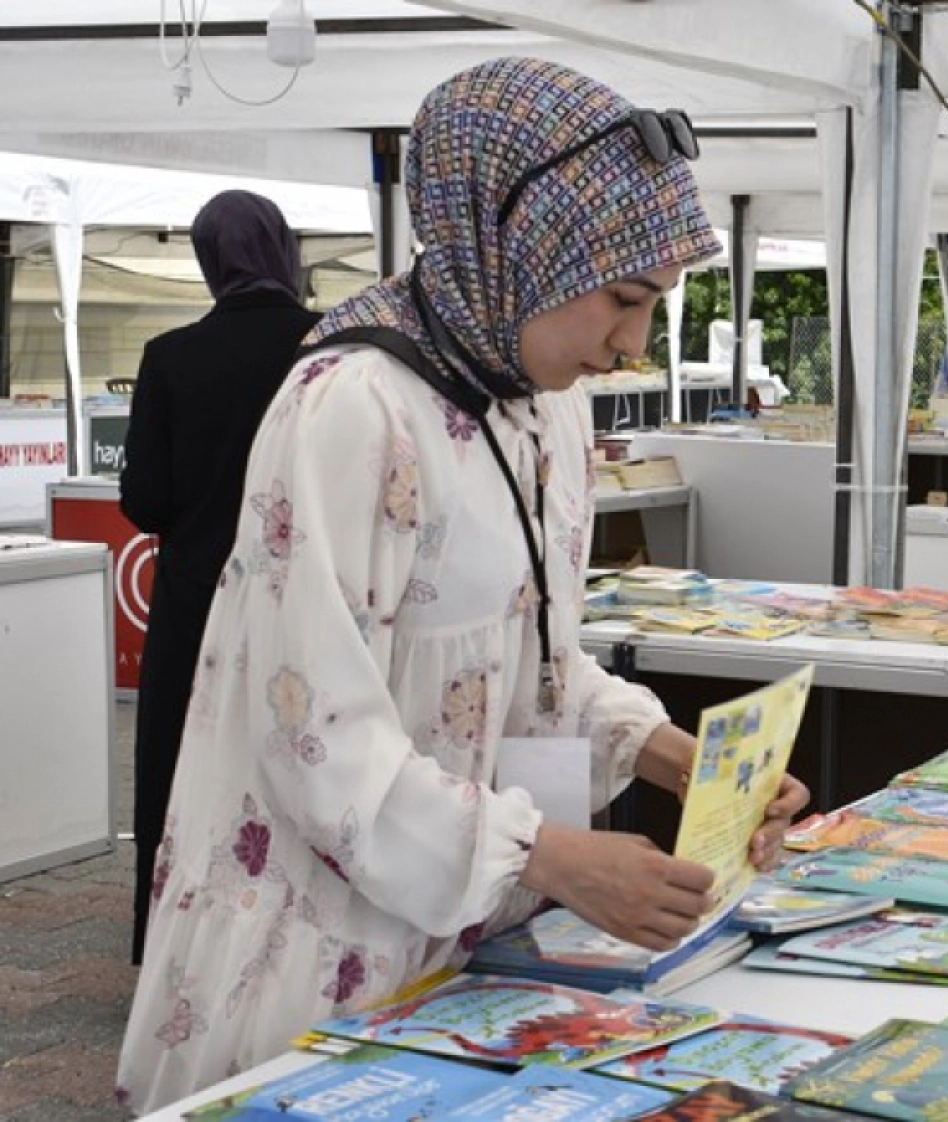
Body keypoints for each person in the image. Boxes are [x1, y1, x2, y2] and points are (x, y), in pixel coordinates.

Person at [117, 57, 809, 1112]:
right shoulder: (353, 407)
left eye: (657, 305)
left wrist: (670, 755)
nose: (633, 346)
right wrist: (551, 856)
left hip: (474, 935)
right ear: (517, 248)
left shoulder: (542, 402)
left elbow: (526, 655)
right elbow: (315, 739)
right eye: (623, 300)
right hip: (326, 953)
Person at [118, 191, 322, 966]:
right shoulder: (327, 345)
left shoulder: (171, 355)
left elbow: (146, 499)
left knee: (178, 764)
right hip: (303, 588)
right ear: (282, 249)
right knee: (297, 755)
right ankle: (287, 935)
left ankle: (173, 936)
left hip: (196, 596)